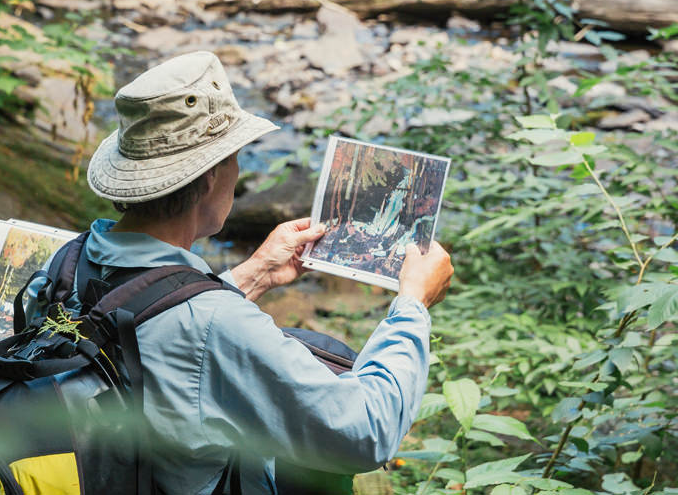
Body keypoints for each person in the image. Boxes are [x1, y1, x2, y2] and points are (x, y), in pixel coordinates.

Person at [25, 50, 453, 494]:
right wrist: (412, 304)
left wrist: (256, 274)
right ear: (211, 177)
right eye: (235, 157)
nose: (237, 171)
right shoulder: (214, 324)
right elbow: (365, 432)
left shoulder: (66, 264)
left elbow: (141, 325)